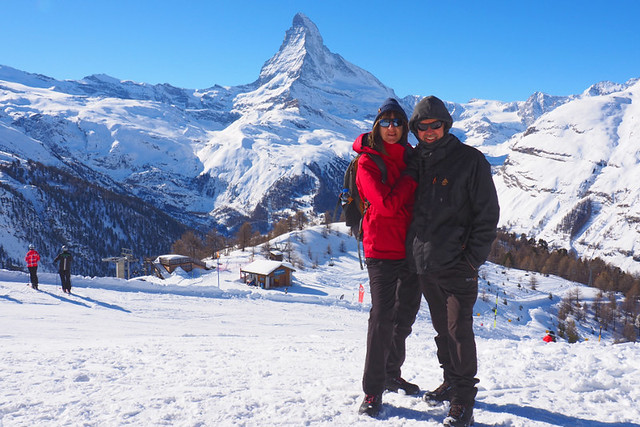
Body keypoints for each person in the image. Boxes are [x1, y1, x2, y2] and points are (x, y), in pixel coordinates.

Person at [404, 96, 500, 427]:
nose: (429, 132)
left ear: (446, 125)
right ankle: (449, 382)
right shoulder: (415, 161)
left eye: (436, 125)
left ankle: (463, 399)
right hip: (425, 263)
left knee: (460, 330)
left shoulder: (470, 161)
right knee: (442, 329)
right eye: (423, 127)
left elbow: (487, 215)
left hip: (458, 265)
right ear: (415, 130)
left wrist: (471, 260)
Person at [354, 98, 421, 417]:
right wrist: (409, 179)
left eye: (397, 123)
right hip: (381, 249)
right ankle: (372, 391)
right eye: (385, 122)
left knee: (405, 316)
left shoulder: (412, 155)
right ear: (376, 127)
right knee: (381, 319)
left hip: (411, 248)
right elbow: (386, 205)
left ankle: (392, 373)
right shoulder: (368, 162)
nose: (392, 128)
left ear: (405, 127)